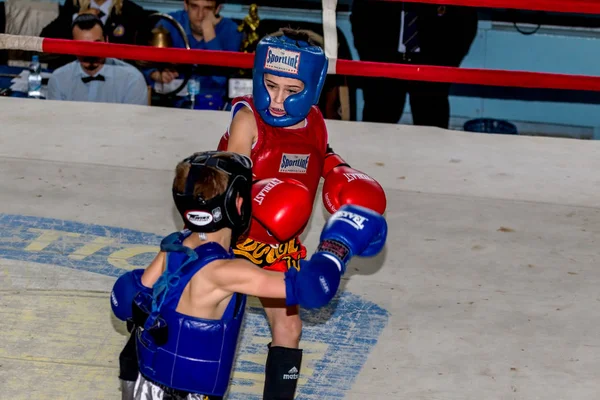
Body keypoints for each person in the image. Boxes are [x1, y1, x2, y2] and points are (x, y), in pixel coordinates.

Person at [110, 150, 388, 400]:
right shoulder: (228, 272)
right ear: (239, 205)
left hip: (141, 382)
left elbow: (127, 298)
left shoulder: (174, 245)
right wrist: (338, 245)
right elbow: (314, 289)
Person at [216, 29, 388, 399]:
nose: (277, 100)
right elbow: (233, 171)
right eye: (270, 84)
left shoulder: (315, 122)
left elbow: (319, 153)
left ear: (312, 88)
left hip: (277, 246)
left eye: (291, 90)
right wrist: (257, 196)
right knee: (215, 325)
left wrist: (340, 172)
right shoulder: (247, 118)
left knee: (289, 329)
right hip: (231, 238)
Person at [47, 13, 148, 105]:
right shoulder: (58, 79)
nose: (90, 52)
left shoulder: (132, 80)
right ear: (71, 46)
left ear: (107, 41)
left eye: (96, 45)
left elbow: (133, 123)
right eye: (82, 46)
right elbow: (57, 122)